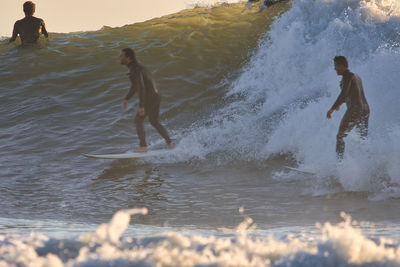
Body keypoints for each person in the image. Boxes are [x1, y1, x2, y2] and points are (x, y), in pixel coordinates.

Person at [119, 48, 174, 153]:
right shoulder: (138, 66)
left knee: (138, 120)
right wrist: (126, 98)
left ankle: (143, 147)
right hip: (156, 96)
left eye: (121, 56)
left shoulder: (135, 69)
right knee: (154, 121)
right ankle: (170, 144)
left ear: (128, 57)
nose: (119, 58)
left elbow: (141, 87)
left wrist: (141, 106)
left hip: (150, 98)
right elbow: (135, 86)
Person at [326, 56, 370, 159]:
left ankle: (339, 165)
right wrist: (340, 104)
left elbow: (344, 93)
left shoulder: (347, 76)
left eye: (336, 65)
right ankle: (368, 162)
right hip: (365, 109)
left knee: (340, 136)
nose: (335, 68)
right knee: (363, 138)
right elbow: (353, 94)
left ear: (342, 66)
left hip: (355, 109)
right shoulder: (356, 77)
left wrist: (332, 108)